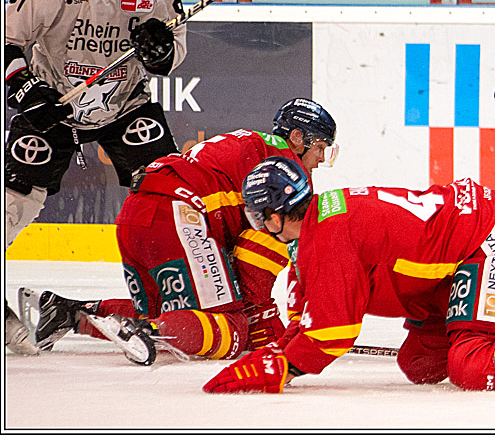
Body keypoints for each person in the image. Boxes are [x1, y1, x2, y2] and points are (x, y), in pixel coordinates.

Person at [202, 158, 495, 393]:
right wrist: (285, 345)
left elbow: (333, 332)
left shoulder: (326, 238)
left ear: (278, 214)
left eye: (260, 216)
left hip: (485, 246)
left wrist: (280, 365)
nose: (258, 225)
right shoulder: (324, 219)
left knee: (470, 366)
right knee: (419, 365)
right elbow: (312, 305)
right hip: (450, 270)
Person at [17, 99, 339, 365]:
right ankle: (143, 331)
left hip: (135, 214)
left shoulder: (254, 143)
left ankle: (71, 314)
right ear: (297, 136)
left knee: (176, 318)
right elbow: (255, 263)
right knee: (232, 330)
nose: (322, 158)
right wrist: (267, 331)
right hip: (179, 216)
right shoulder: (286, 170)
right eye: (321, 147)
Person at [5, 0, 186, 355]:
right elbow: (8, 44)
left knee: (170, 193)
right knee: (13, 195)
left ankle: (180, 297)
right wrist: (27, 92)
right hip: (56, 101)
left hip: (125, 102)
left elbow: (172, 53)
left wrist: (160, 49)